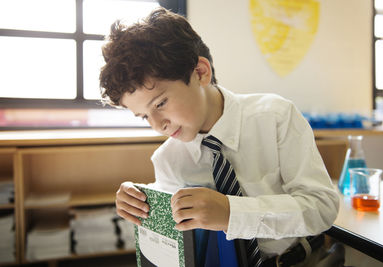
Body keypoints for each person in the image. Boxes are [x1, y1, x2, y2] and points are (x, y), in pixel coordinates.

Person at [99, 7, 340, 267]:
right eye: (144, 117)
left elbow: (322, 207)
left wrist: (231, 213)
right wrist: (142, 202)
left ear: (201, 73)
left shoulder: (275, 118)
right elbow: (180, 239)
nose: (158, 126)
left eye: (160, 104)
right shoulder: (168, 159)